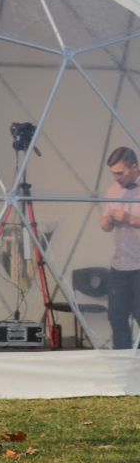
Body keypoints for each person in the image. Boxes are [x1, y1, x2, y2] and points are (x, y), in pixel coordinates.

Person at [98, 146, 140, 349]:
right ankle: (122, 360)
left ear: (134, 166)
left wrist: (131, 219)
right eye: (113, 173)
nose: (116, 178)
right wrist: (107, 221)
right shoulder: (112, 190)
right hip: (120, 265)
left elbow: (131, 220)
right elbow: (105, 226)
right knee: (116, 316)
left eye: (120, 173)